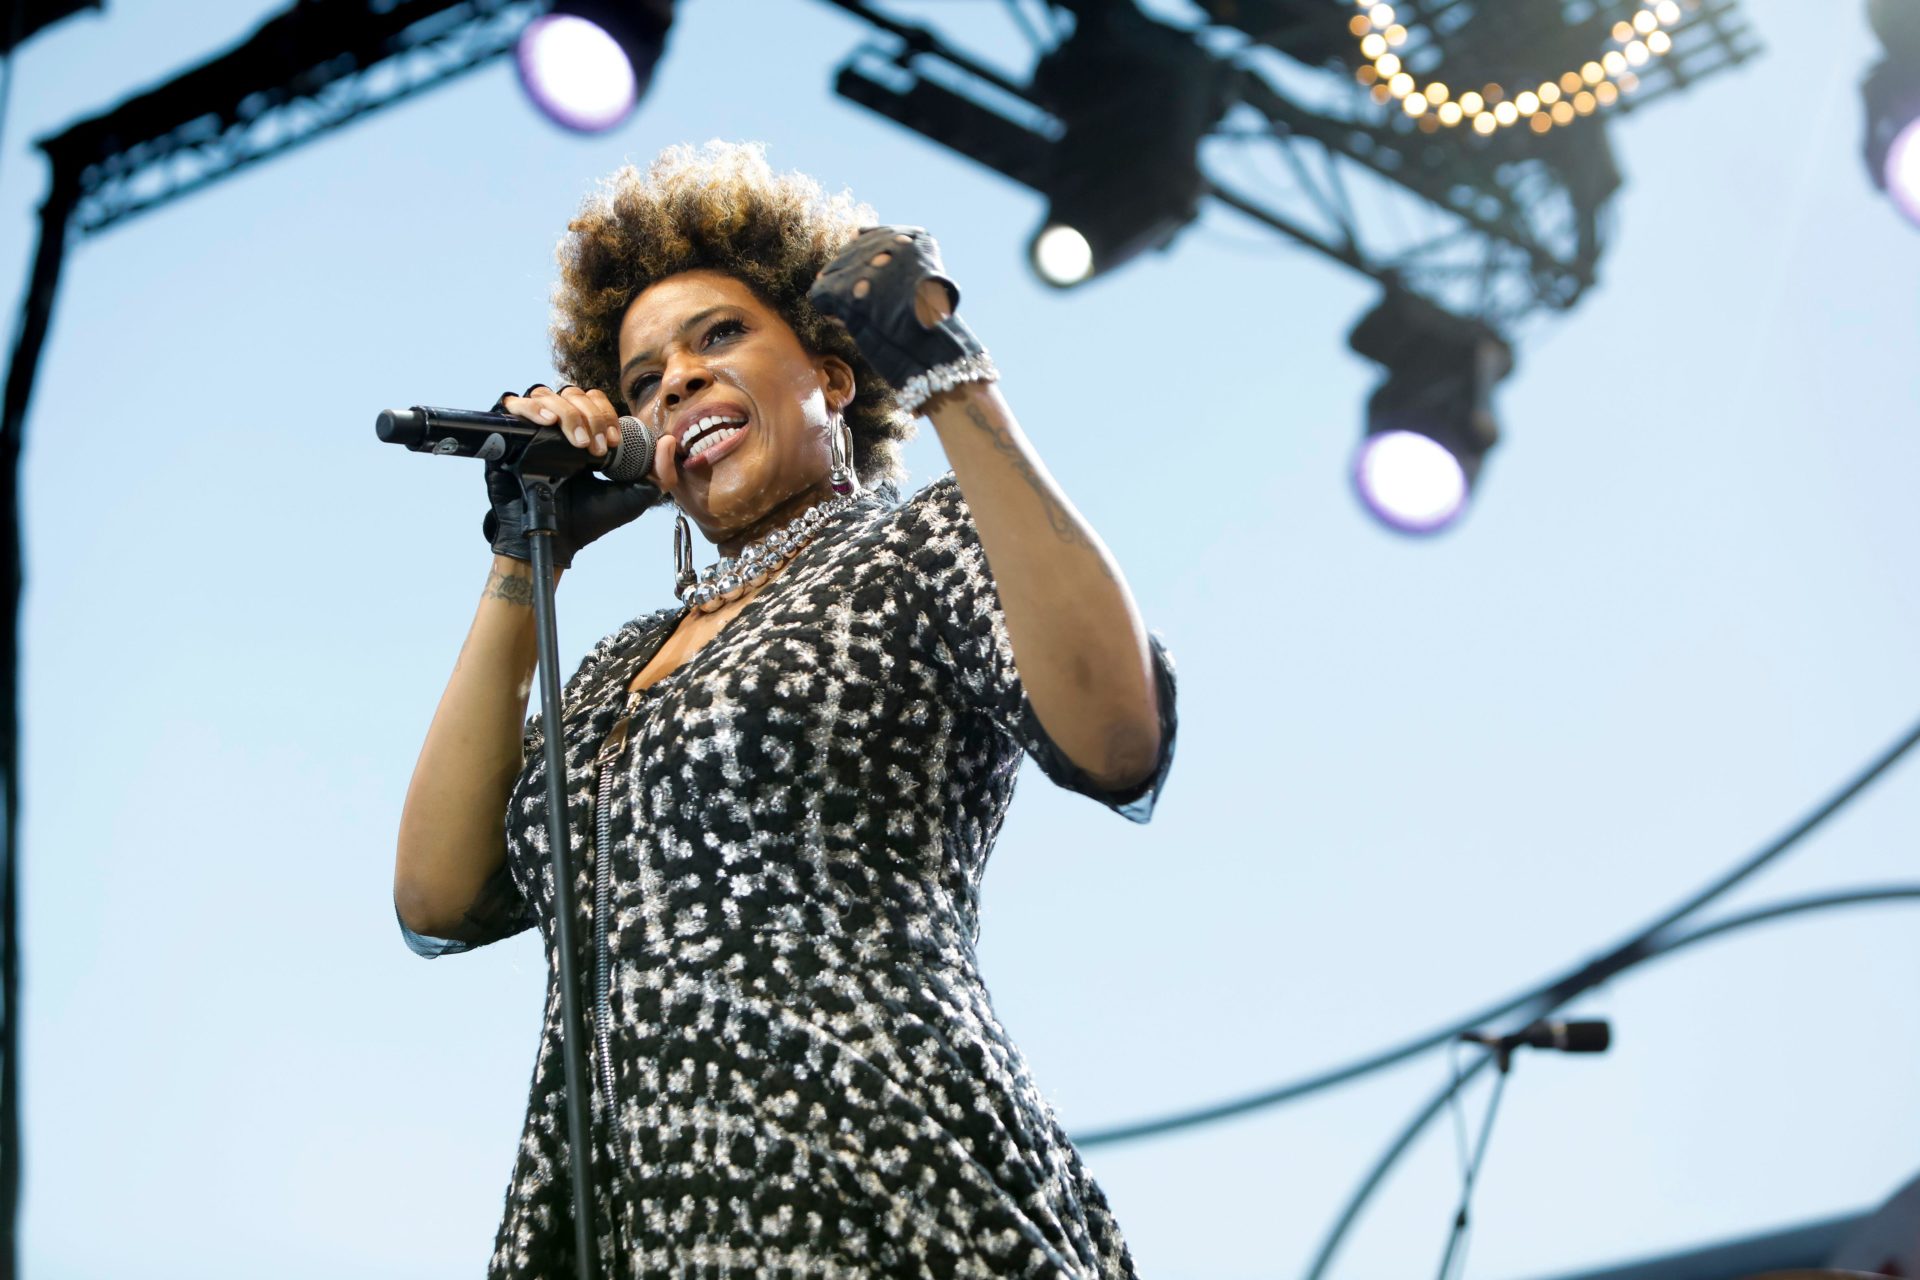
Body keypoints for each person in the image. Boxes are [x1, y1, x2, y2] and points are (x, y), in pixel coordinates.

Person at [393, 141, 1178, 1278]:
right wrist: (532, 552)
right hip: (628, 1227)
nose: (677, 381)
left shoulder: (917, 544)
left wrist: (948, 370)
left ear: (834, 377)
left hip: (884, 1186)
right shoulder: (617, 666)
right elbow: (437, 892)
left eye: (719, 337)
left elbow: (1120, 736)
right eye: (645, 376)